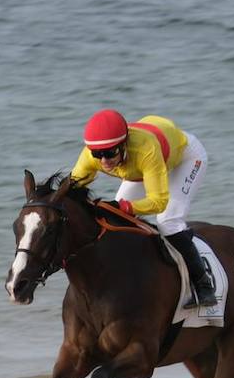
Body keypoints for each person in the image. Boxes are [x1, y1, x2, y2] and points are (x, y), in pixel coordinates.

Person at [71, 109, 218, 308]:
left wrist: (125, 206)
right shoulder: (90, 156)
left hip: (185, 158)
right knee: (116, 218)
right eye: (98, 154)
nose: (104, 161)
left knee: (168, 222)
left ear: (123, 144)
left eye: (110, 153)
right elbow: (71, 187)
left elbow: (158, 202)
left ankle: (204, 286)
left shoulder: (145, 150)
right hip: (142, 168)